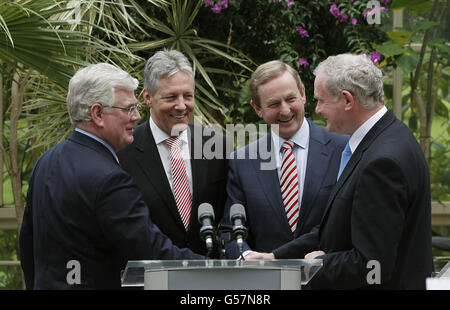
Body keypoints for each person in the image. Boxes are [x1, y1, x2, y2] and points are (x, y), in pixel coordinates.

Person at [246, 54, 433, 290]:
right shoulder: (389, 136)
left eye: (320, 101)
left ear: (346, 100)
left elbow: (373, 264)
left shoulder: (382, 162)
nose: (317, 109)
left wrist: (316, 264)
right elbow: (338, 228)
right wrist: (275, 257)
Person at [19, 63, 203, 290]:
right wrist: (218, 269)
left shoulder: (45, 162)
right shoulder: (110, 179)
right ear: (98, 114)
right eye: (128, 109)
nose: (136, 117)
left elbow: (27, 242)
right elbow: (151, 252)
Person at [219, 60, 348, 259]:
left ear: (303, 94)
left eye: (290, 99)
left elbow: (347, 221)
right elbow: (229, 230)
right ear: (257, 108)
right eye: (273, 104)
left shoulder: (342, 149)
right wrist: (244, 257)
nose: (285, 110)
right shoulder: (243, 160)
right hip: (266, 282)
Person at [118, 49, 228, 257]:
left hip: (207, 275)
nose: (181, 106)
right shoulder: (124, 151)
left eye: (187, 96)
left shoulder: (217, 146)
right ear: (148, 98)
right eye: (171, 97)